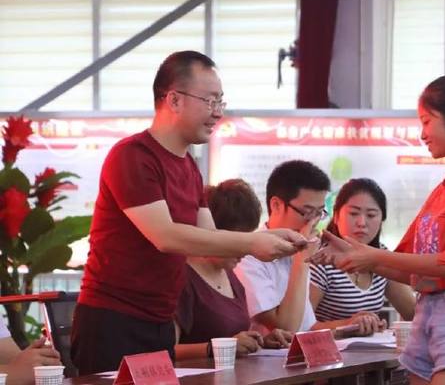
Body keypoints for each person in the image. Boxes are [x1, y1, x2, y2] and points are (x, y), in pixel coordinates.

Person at [71, 51, 307, 375]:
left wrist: (268, 236)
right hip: (113, 319)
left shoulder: (188, 166)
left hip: (161, 320)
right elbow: (165, 236)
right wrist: (253, 243)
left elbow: (209, 240)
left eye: (220, 102)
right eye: (210, 101)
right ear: (174, 100)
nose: (218, 113)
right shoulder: (133, 156)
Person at [311, 75, 445, 385]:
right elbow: (407, 267)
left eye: (427, 121)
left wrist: (371, 257)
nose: (422, 133)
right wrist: (354, 256)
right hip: (427, 316)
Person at [236, 160, 385, 337]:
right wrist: (303, 259)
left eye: (319, 213)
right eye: (307, 212)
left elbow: (307, 328)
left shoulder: (296, 248)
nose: (314, 222)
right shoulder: (250, 257)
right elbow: (287, 330)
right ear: (276, 205)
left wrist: (349, 325)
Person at [174, 179, 292, 360]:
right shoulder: (182, 280)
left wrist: (261, 341)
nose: (245, 249)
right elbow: (166, 351)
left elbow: (237, 338)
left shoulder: (231, 277)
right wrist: (216, 348)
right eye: (239, 240)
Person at [309, 178, 415, 324]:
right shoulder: (322, 258)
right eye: (353, 213)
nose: (362, 223)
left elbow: (413, 313)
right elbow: (301, 326)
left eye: (371, 215)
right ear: (337, 216)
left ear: (382, 219)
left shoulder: (381, 254)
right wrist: (348, 325)